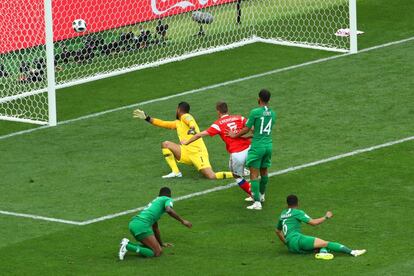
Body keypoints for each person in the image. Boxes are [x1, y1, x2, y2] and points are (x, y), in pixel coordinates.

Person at [133, 102, 233, 179]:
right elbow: (162, 123)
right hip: (186, 152)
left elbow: (191, 121)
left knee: (211, 176)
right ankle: (176, 172)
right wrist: (147, 118)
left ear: (179, 109)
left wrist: (192, 128)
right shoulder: (178, 122)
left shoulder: (185, 116)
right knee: (166, 144)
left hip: (197, 153)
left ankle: (237, 174)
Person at [180, 101, 252, 197]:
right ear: (227, 110)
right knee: (255, 173)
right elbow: (253, 129)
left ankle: (253, 194)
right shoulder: (240, 117)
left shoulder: (218, 124)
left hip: (237, 153)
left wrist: (186, 142)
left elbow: (200, 134)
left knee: (237, 176)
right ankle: (258, 193)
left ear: (218, 111)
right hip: (250, 149)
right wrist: (246, 137)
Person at [275, 195, 366, 260]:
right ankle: (353, 252)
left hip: (291, 246)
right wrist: (326, 217)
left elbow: (277, 231)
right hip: (298, 240)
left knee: (317, 246)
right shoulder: (298, 212)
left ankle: (322, 252)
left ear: (287, 204)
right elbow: (313, 223)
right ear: (298, 203)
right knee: (326, 243)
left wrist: (286, 243)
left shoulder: (283, 214)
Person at [227, 89, 276, 210]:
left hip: (257, 146)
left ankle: (257, 203)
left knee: (254, 175)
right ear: (269, 99)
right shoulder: (273, 113)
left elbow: (246, 129)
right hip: (268, 145)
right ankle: (262, 195)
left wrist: (235, 135)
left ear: (259, 98)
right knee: (264, 172)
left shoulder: (255, 112)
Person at [119, 187, 192, 260]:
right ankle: (127, 246)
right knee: (157, 252)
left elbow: (155, 228)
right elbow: (169, 210)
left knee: (154, 248)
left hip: (134, 224)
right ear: (169, 195)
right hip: (141, 225)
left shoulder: (155, 203)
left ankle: (127, 243)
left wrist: (161, 243)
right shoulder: (166, 199)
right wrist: (182, 221)